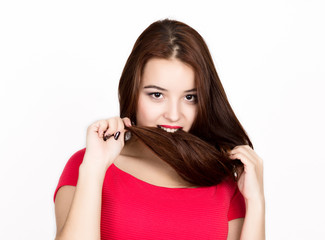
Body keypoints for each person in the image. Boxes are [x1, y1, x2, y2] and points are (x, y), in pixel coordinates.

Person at [54, 19, 265, 240]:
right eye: (157, 95)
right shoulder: (87, 166)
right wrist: (94, 169)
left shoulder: (224, 182)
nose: (174, 115)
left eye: (190, 97)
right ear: (132, 93)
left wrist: (256, 201)